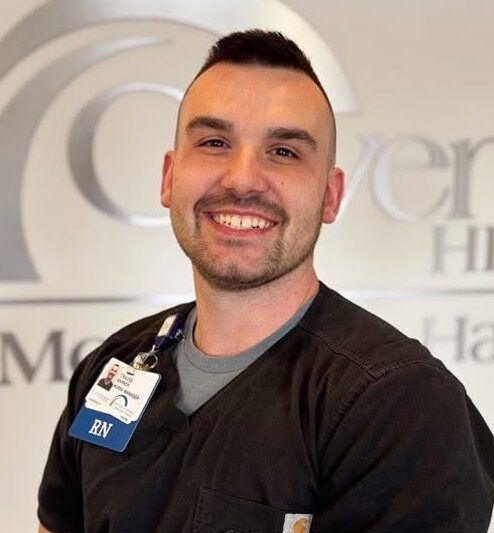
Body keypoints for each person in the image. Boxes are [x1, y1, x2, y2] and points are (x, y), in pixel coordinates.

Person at [38, 29, 494, 533]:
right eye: (214, 142)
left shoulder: (400, 405)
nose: (242, 179)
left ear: (330, 195)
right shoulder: (114, 365)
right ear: (169, 177)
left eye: (284, 152)